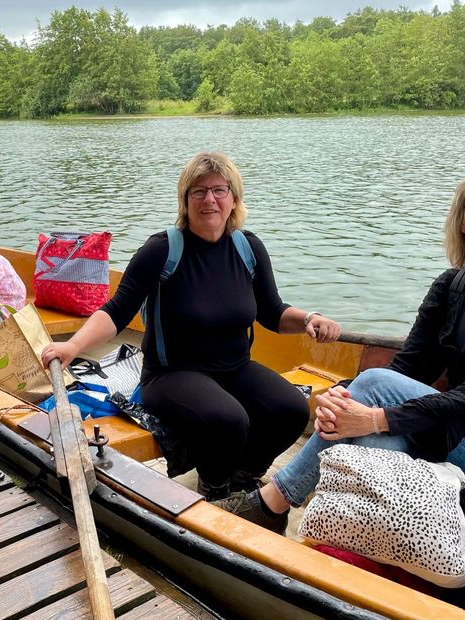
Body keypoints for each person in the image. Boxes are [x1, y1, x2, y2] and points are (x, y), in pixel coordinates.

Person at [218, 160, 465, 531]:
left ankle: (270, 504)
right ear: (462, 220)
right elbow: (409, 369)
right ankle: (349, 562)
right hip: (461, 439)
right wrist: (342, 397)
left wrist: (376, 416)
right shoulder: (453, 287)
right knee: (370, 443)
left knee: (374, 394)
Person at [41, 151, 341, 514]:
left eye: (219, 190)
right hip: (172, 375)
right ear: (185, 200)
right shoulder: (162, 250)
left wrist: (309, 319)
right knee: (230, 419)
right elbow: (117, 311)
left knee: (291, 408)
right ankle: (215, 488)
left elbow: (272, 312)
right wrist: (71, 347)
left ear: (234, 198)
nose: (209, 200)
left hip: (234, 368)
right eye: (198, 191)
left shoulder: (249, 248)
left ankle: (243, 477)